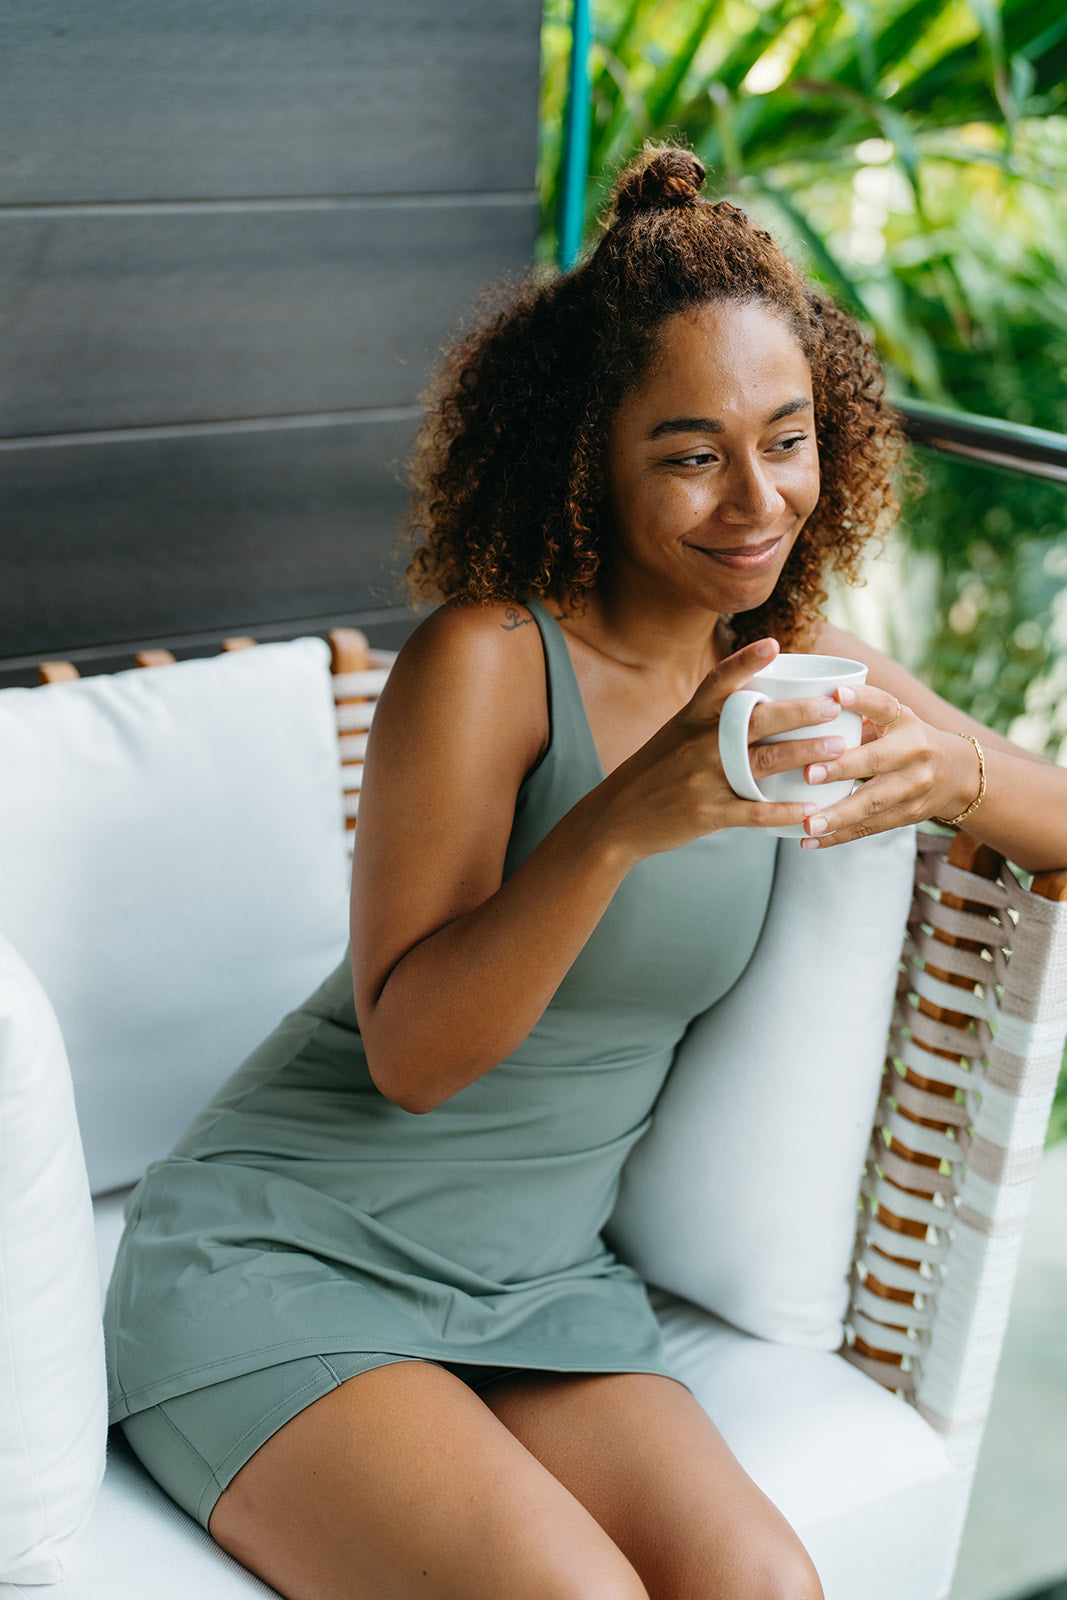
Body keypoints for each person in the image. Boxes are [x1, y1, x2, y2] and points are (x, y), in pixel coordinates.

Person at [105, 143, 1067, 1600]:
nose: (756, 498)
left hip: (539, 1285)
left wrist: (960, 774)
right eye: (690, 454)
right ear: (588, 463)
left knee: (771, 1589)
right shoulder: (487, 665)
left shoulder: (800, 681)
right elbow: (415, 1057)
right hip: (283, 1259)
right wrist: (620, 819)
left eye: (788, 436)